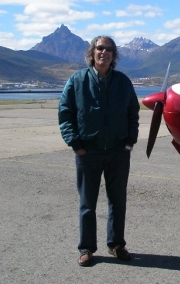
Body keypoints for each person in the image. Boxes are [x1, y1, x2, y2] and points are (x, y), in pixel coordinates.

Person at [58, 35, 140, 267]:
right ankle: (86, 248)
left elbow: (133, 113)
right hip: (88, 152)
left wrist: (129, 142)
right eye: (100, 48)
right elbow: (66, 114)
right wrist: (76, 144)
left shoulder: (123, 82)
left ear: (114, 55)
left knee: (118, 201)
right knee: (87, 204)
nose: (104, 52)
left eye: (109, 49)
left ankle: (116, 244)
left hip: (117, 151)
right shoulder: (77, 80)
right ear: (92, 52)